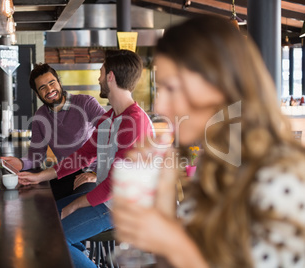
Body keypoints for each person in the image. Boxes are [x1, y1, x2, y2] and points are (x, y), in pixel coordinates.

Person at [112, 15, 305, 268]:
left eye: (171, 88)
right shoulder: (217, 163)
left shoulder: (283, 177)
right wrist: (162, 197)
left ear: (217, 85)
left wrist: (174, 243)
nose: (159, 105)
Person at [18, 49, 153, 267]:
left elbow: (115, 184)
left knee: (55, 237)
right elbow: (83, 155)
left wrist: (75, 205)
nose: (98, 78)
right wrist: (38, 176)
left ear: (110, 77)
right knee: (46, 220)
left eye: (101, 73)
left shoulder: (133, 121)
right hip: (108, 199)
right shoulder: (110, 118)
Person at [2, 63, 106, 200]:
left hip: (92, 172)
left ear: (59, 82)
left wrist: (99, 175)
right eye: (42, 87)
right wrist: (20, 163)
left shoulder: (86, 103)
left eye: (52, 83)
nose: (50, 89)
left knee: (75, 206)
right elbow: (36, 155)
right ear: (37, 93)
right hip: (64, 172)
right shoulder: (40, 117)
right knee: (39, 200)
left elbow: (111, 134)